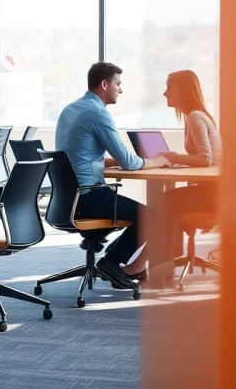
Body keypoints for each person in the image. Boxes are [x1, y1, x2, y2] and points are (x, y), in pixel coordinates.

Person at [55, 62, 169, 290]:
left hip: (67, 197)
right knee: (153, 217)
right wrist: (157, 161)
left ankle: (105, 248)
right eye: (118, 84)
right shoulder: (98, 114)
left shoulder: (71, 109)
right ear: (104, 84)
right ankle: (111, 262)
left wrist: (118, 159)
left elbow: (79, 157)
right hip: (89, 196)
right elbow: (129, 162)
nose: (120, 89)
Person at [160, 70, 222, 258]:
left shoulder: (196, 117)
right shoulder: (193, 117)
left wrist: (175, 158)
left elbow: (205, 159)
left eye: (169, 87)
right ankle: (166, 257)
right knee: (166, 201)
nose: (164, 93)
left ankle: (157, 260)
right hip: (213, 189)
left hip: (215, 195)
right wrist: (176, 160)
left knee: (162, 202)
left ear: (183, 90)